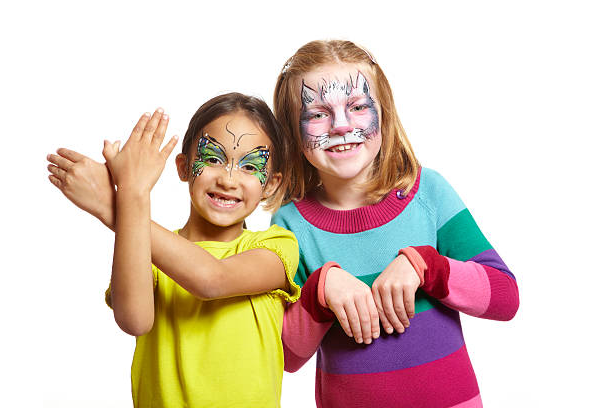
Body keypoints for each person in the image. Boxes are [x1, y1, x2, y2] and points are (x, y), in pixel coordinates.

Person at [272, 40, 520, 407]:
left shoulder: (427, 193)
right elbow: (288, 356)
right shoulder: (290, 224)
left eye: (357, 107)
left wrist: (428, 266)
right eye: (318, 114)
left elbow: (505, 298)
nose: (341, 126)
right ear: (293, 131)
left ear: (383, 113)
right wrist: (319, 291)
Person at [47, 93, 302, 408]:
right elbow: (134, 321)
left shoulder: (276, 245)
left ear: (272, 184)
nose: (228, 179)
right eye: (212, 159)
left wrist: (116, 203)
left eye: (250, 167)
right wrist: (132, 199)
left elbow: (212, 279)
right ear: (183, 167)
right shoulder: (146, 251)